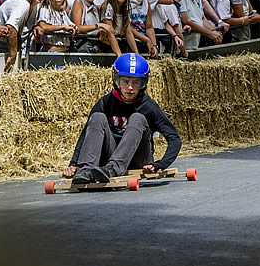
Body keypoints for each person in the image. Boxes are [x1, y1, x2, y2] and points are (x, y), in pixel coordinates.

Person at [64, 53, 181, 185]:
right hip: (109, 157)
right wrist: (74, 164)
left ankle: (112, 169)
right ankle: (85, 169)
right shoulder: (106, 102)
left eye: (136, 82)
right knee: (97, 117)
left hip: (138, 159)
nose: (130, 87)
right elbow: (86, 134)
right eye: (125, 81)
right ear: (117, 80)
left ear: (143, 83)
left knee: (138, 118)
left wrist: (161, 164)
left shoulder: (148, 106)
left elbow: (174, 138)